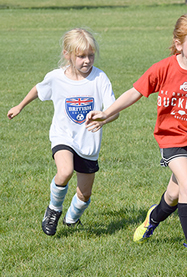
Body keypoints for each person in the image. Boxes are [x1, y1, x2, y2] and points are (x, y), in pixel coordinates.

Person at [86, 13, 187, 268]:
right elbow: (134, 92)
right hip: (171, 137)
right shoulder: (163, 68)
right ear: (178, 44)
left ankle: (152, 219)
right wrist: (106, 113)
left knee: (174, 196)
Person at [7, 28, 119, 236]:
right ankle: (53, 209)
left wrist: (104, 118)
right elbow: (38, 89)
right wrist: (20, 106)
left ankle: (71, 218)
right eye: (81, 56)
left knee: (84, 194)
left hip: (89, 142)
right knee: (65, 171)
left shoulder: (99, 78)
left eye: (91, 55)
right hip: (63, 136)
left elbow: (114, 110)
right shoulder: (56, 77)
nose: (87, 61)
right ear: (67, 54)